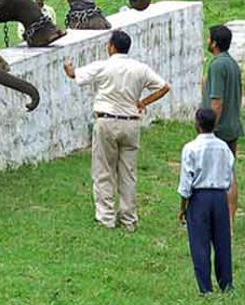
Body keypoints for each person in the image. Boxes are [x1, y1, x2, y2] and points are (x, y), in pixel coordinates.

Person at [63, 30, 171, 231]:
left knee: (103, 170)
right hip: (131, 123)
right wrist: (142, 102)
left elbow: (73, 75)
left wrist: (68, 66)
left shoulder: (103, 66)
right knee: (128, 173)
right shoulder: (140, 68)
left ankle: (106, 217)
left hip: (107, 121)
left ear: (111, 46)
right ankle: (129, 219)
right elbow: (165, 87)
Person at [178, 108, 235, 294]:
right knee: (222, 242)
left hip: (199, 197)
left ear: (197, 124)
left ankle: (206, 288)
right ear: (215, 124)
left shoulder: (191, 148)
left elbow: (186, 181)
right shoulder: (224, 147)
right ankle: (226, 284)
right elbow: (230, 174)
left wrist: (183, 207)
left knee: (199, 243)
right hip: (219, 196)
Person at [203, 24, 243, 226]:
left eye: (209, 38)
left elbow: (217, 101)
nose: (207, 41)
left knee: (215, 174)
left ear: (215, 43)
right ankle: (229, 219)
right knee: (229, 172)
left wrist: (209, 128)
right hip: (232, 126)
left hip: (219, 129)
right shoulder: (232, 64)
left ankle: (221, 219)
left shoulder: (217, 65)